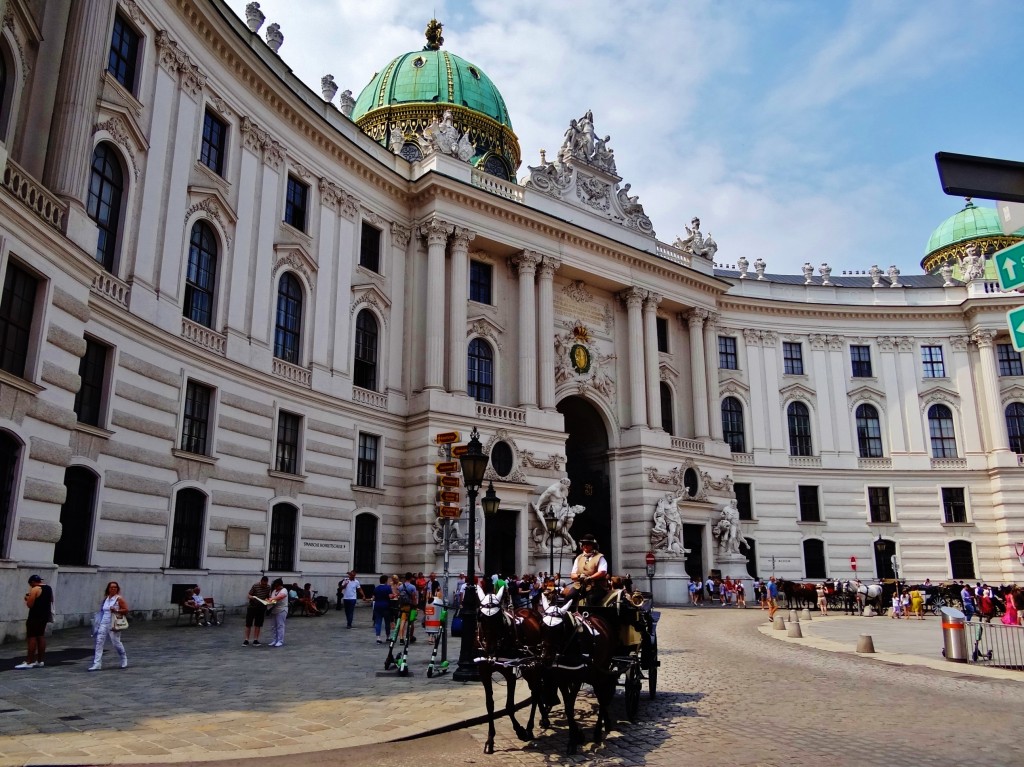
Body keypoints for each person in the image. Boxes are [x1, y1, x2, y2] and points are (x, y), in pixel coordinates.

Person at [16, 574, 53, 669]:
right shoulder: (48, 588)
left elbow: (30, 604)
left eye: (30, 584)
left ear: (32, 582)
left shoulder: (35, 589)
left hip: (35, 616)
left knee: (32, 637)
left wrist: (27, 598)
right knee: (41, 636)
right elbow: (51, 600)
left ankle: (29, 661)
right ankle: (40, 661)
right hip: (44, 616)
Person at [89, 581, 128, 671]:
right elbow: (102, 611)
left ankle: (123, 657)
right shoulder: (106, 599)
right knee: (99, 642)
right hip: (104, 622)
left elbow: (126, 610)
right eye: (111, 587)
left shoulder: (119, 599)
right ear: (108, 589)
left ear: (117, 589)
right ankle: (97, 663)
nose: (113, 589)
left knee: (116, 643)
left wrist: (116, 610)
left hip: (114, 623)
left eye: (115, 587)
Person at [563, 534, 609, 605]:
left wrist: (590, 578)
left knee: (591, 599)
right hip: (579, 586)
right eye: (583, 544)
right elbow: (572, 575)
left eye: (588, 544)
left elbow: (602, 572)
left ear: (593, 545)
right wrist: (579, 576)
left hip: (596, 586)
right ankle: (568, 615)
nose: (585, 546)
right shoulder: (578, 558)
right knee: (569, 597)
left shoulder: (600, 557)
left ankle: (590, 615)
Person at [243, 575, 271, 646]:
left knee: (258, 624)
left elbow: (268, 597)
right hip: (252, 606)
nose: (264, 586)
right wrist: (252, 597)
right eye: (263, 584)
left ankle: (256, 639)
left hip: (261, 607)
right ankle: (246, 639)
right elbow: (249, 595)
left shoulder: (268, 587)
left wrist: (267, 600)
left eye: (265, 584)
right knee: (248, 623)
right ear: (260, 581)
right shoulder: (255, 586)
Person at [371, 575, 394, 644]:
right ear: (386, 580)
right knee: (387, 622)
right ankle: (388, 637)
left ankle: (378, 637)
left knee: (378, 622)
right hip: (386, 606)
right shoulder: (388, 588)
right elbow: (390, 596)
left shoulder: (376, 588)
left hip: (377, 606)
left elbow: (373, 598)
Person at [267, 578, 289, 647]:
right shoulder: (274, 591)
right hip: (274, 609)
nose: (275, 587)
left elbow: (281, 596)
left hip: (282, 609)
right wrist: (268, 601)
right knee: (273, 626)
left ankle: (280, 640)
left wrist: (272, 599)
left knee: (280, 625)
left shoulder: (284, 590)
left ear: (280, 585)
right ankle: (274, 640)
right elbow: (272, 598)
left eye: (277, 586)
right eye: (275, 586)